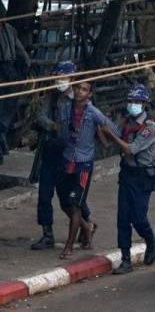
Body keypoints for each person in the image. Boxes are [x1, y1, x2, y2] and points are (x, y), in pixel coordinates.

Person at [31, 61, 92, 250]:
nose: (60, 81)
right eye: (57, 77)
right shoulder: (49, 96)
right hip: (50, 151)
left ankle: (87, 224)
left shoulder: (78, 99)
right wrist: (52, 126)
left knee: (70, 197)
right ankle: (47, 234)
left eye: (63, 77)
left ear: (71, 78)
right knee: (44, 195)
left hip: (69, 155)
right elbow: (39, 116)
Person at [101, 84, 155, 275]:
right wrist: (102, 130)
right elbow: (110, 142)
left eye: (137, 102)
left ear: (144, 104)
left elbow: (130, 149)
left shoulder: (150, 126)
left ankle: (150, 239)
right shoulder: (125, 121)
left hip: (142, 175)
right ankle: (125, 259)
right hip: (126, 173)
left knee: (139, 218)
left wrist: (112, 135)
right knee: (123, 218)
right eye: (130, 101)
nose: (132, 105)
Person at [56, 80, 115, 259]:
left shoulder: (92, 112)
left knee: (76, 205)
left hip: (84, 164)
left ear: (89, 94)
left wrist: (103, 135)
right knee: (63, 202)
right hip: (67, 159)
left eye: (84, 90)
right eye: (78, 88)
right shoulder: (66, 108)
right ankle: (87, 226)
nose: (80, 92)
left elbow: (111, 127)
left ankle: (69, 246)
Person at [0, 15, 30, 164]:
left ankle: (2, 138)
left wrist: (26, 63)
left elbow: (20, 50)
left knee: (8, 108)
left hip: (9, 70)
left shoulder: (10, 30)